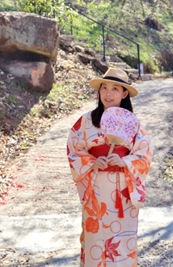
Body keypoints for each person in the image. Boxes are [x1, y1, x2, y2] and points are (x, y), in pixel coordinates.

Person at [67, 68, 153, 267]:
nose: (108, 93)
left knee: (121, 241)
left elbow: (144, 154)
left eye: (115, 89)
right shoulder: (85, 122)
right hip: (96, 187)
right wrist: (91, 162)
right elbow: (74, 150)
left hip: (123, 191)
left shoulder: (133, 125)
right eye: (104, 88)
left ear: (124, 94)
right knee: (94, 238)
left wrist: (126, 162)